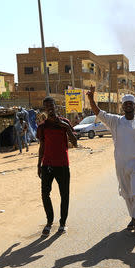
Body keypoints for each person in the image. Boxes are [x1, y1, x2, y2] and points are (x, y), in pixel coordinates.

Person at [87, 86, 135, 237]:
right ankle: (134, 217)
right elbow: (99, 113)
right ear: (122, 107)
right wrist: (91, 100)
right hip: (122, 164)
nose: (128, 106)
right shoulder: (116, 121)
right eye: (126, 104)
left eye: (131, 104)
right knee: (127, 194)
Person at [37, 96, 78, 236]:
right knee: (44, 194)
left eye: (52, 106)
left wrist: (66, 127)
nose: (50, 109)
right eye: (47, 106)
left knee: (64, 194)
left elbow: (75, 142)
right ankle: (49, 222)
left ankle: (63, 223)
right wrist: (38, 164)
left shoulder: (65, 122)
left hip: (62, 165)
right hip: (47, 165)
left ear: (56, 107)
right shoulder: (42, 126)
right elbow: (42, 146)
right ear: (45, 109)